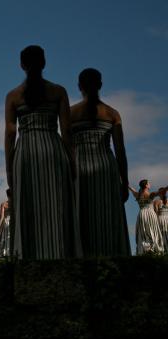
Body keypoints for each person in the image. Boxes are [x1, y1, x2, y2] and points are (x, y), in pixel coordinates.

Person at [4, 45, 81, 259]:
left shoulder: (13, 96)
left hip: (26, 151)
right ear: (44, 63)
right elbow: (66, 131)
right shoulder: (58, 91)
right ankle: (59, 252)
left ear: (21, 65)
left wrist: (9, 169)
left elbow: (10, 135)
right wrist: (72, 161)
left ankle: (28, 256)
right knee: (56, 204)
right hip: (52, 149)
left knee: (28, 206)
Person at [70, 68, 131, 257]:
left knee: (82, 216)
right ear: (101, 85)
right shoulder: (112, 114)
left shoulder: (71, 113)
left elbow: (67, 147)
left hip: (79, 168)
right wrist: (125, 181)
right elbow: (120, 150)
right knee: (107, 216)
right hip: (106, 167)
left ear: (80, 86)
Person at [129, 180, 164, 255]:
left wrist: (126, 184)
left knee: (143, 233)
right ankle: (153, 250)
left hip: (141, 214)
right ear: (146, 186)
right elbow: (162, 191)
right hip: (150, 214)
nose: (150, 184)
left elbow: (131, 188)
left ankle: (144, 250)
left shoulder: (137, 194)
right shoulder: (151, 194)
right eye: (149, 183)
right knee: (152, 231)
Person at [0, 189, 11, 258]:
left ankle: (5, 253)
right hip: (12, 221)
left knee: (4, 237)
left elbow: (1, 216)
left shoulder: (4, 204)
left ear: (7, 195)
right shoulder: (15, 203)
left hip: (6, 221)